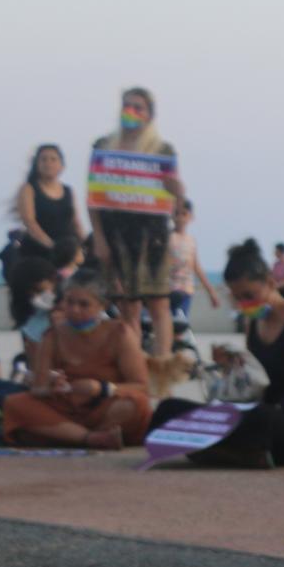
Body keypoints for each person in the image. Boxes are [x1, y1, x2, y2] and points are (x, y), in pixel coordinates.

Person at [148, 241, 284, 468]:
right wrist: (230, 366)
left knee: (259, 419)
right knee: (168, 409)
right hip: (261, 412)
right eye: (237, 298)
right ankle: (230, 451)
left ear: (270, 282)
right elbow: (256, 380)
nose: (244, 303)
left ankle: (219, 449)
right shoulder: (254, 322)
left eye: (249, 295)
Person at [87, 88, 185, 369]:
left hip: (153, 236)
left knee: (159, 303)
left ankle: (162, 367)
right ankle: (134, 367)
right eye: (127, 105)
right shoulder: (104, 146)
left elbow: (174, 202)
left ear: (149, 114)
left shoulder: (162, 150)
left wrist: (178, 192)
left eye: (138, 107)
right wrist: (99, 238)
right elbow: (93, 196)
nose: (131, 111)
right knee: (126, 306)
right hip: (115, 234)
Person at [2, 273, 151, 449]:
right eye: (69, 302)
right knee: (15, 403)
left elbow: (142, 385)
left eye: (83, 304)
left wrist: (102, 388)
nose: (74, 310)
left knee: (136, 404)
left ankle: (71, 436)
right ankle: (91, 438)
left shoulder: (119, 333)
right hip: (64, 408)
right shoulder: (52, 335)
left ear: (102, 306)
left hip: (104, 408)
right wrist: (51, 385)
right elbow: (38, 388)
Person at [10, 143, 83, 295]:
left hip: (67, 254)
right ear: (37, 164)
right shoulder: (28, 188)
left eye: (53, 159)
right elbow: (30, 222)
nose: (48, 163)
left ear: (62, 166)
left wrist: (83, 246)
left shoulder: (68, 191)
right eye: (43, 159)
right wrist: (53, 246)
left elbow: (76, 222)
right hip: (38, 254)